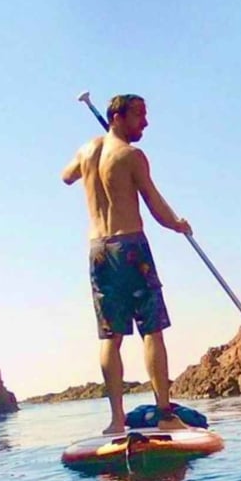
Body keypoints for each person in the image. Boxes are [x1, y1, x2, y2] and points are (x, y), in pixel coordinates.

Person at [61, 94, 191, 434]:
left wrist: (96, 155)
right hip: (131, 248)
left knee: (111, 337)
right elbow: (155, 204)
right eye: (139, 116)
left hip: (99, 252)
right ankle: (165, 413)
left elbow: (66, 176)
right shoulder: (132, 156)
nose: (145, 123)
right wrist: (178, 224)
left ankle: (117, 420)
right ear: (116, 117)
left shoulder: (88, 150)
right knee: (152, 331)